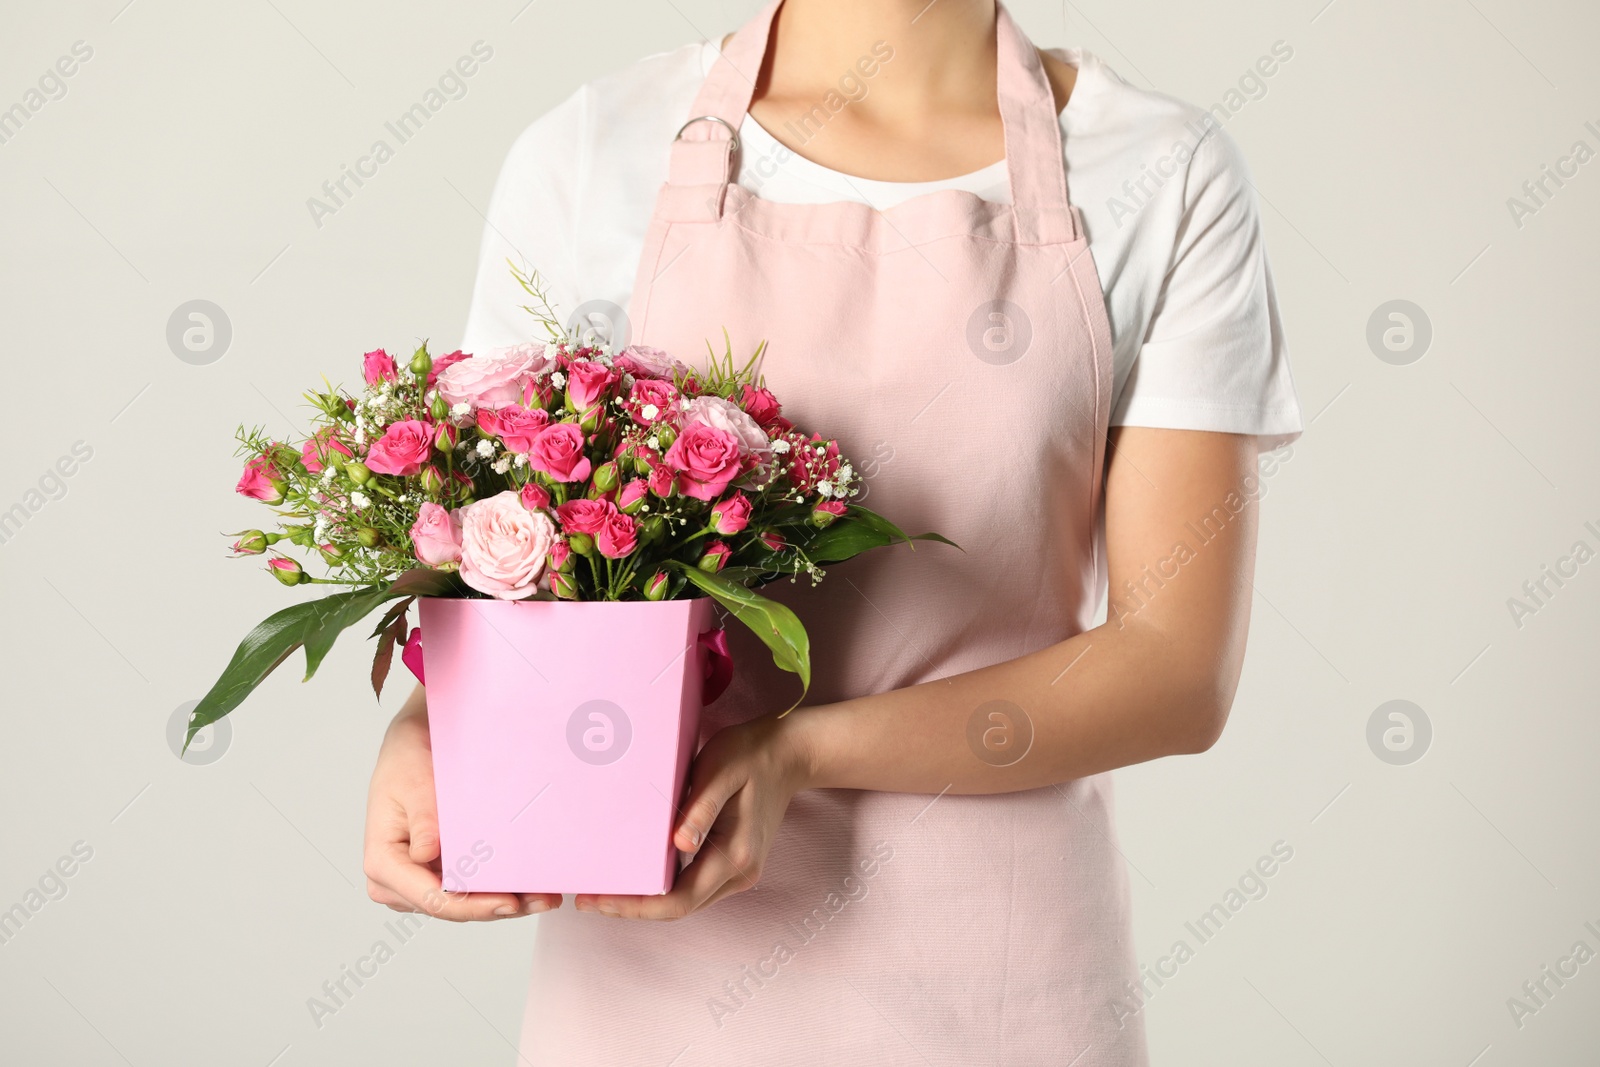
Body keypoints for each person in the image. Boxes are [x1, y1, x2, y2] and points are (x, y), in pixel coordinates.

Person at [363, 1, 1301, 1062]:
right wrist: (425, 727)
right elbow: (517, 555)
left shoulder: (1160, 174)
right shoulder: (593, 151)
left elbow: (1172, 667)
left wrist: (798, 753)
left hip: (998, 981)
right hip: (657, 977)